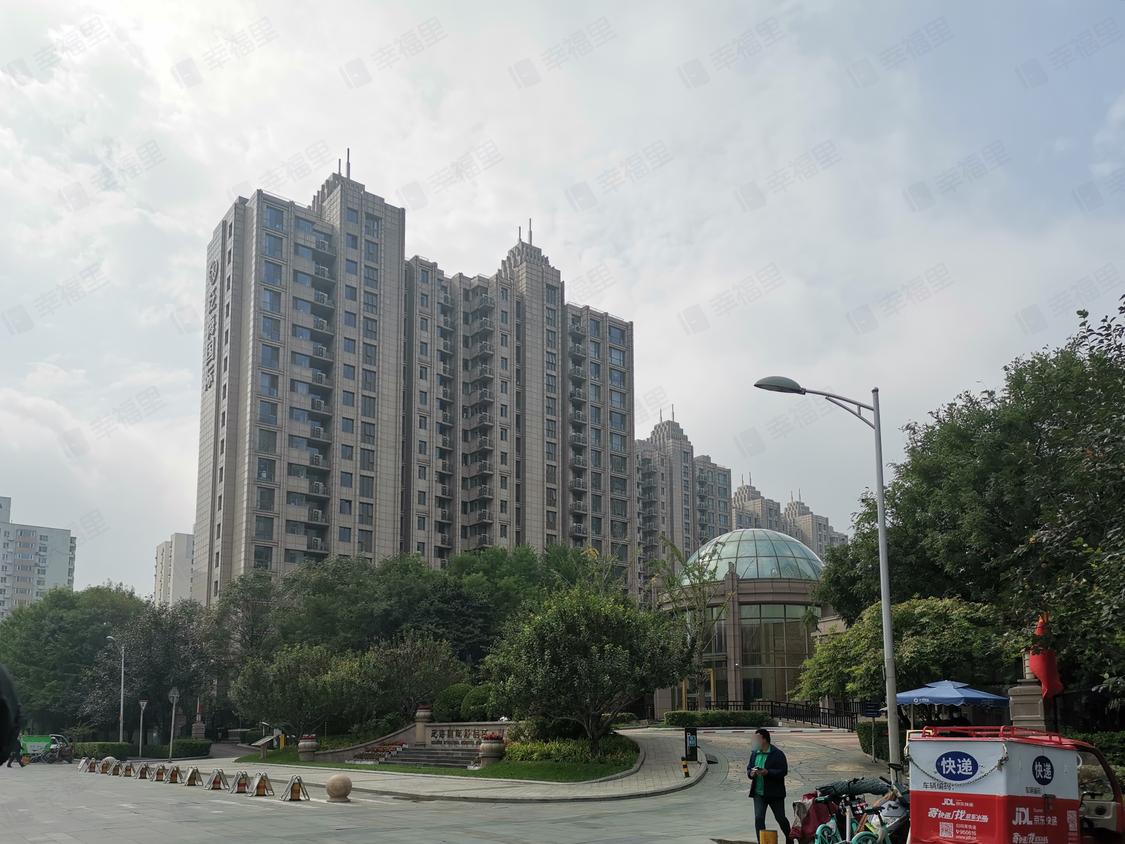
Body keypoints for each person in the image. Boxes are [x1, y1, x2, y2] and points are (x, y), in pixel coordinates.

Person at [748, 727, 790, 840]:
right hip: (758, 793)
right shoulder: (754, 753)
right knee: (759, 818)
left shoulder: (777, 754)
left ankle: (789, 837)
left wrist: (768, 772)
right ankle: (762, 841)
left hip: (775, 793)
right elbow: (749, 768)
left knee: (780, 818)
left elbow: (783, 771)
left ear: (764, 740)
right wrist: (751, 773)